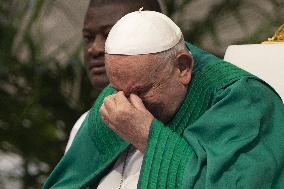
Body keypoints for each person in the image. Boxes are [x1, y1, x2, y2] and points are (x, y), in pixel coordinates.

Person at [44, 11, 284, 189]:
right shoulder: (122, 93)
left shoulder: (242, 100)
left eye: (141, 91)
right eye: (117, 89)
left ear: (182, 67)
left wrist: (146, 136)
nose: (126, 106)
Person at [65, 0, 162, 152]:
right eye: (88, 38)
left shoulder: (190, 122)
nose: (94, 49)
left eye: (110, 35)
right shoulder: (83, 127)